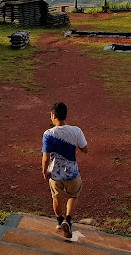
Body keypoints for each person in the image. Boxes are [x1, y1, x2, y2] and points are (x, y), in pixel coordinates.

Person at [41, 102, 88, 238]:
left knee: (56, 197)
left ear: (53, 116)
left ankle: (59, 221)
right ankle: (68, 220)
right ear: (65, 115)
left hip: (55, 174)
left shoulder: (48, 134)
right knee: (73, 195)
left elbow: (45, 158)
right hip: (72, 173)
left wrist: (45, 171)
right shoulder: (76, 131)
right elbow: (85, 149)